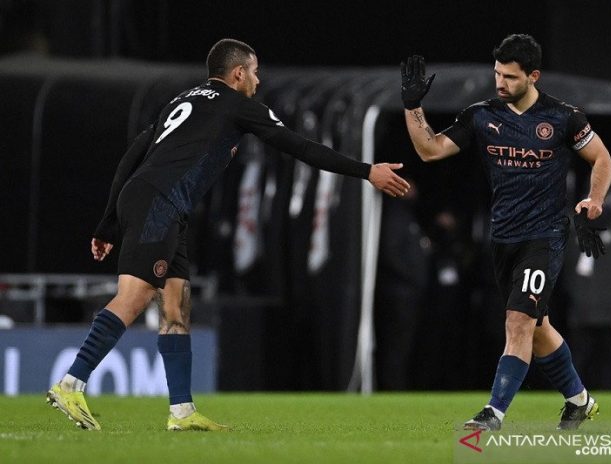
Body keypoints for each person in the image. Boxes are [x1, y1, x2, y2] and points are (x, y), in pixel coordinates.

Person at [47, 38, 410, 432]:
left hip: (156, 200)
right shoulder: (239, 105)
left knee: (176, 307)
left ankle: (181, 411)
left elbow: (134, 152)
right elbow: (300, 146)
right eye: (254, 71)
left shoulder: (184, 98)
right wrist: (366, 171)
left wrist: (108, 223)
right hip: (161, 202)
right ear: (238, 73)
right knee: (135, 297)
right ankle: (71, 383)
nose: (258, 78)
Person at [400, 34, 611, 431]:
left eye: (510, 78)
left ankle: (493, 413)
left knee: (517, 321)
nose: (500, 83)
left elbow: (601, 157)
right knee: (537, 328)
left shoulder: (564, 117)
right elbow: (429, 150)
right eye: (497, 74)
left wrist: (594, 199)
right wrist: (413, 106)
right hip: (503, 238)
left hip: (545, 236)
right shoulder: (482, 115)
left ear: (533, 76)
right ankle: (579, 400)